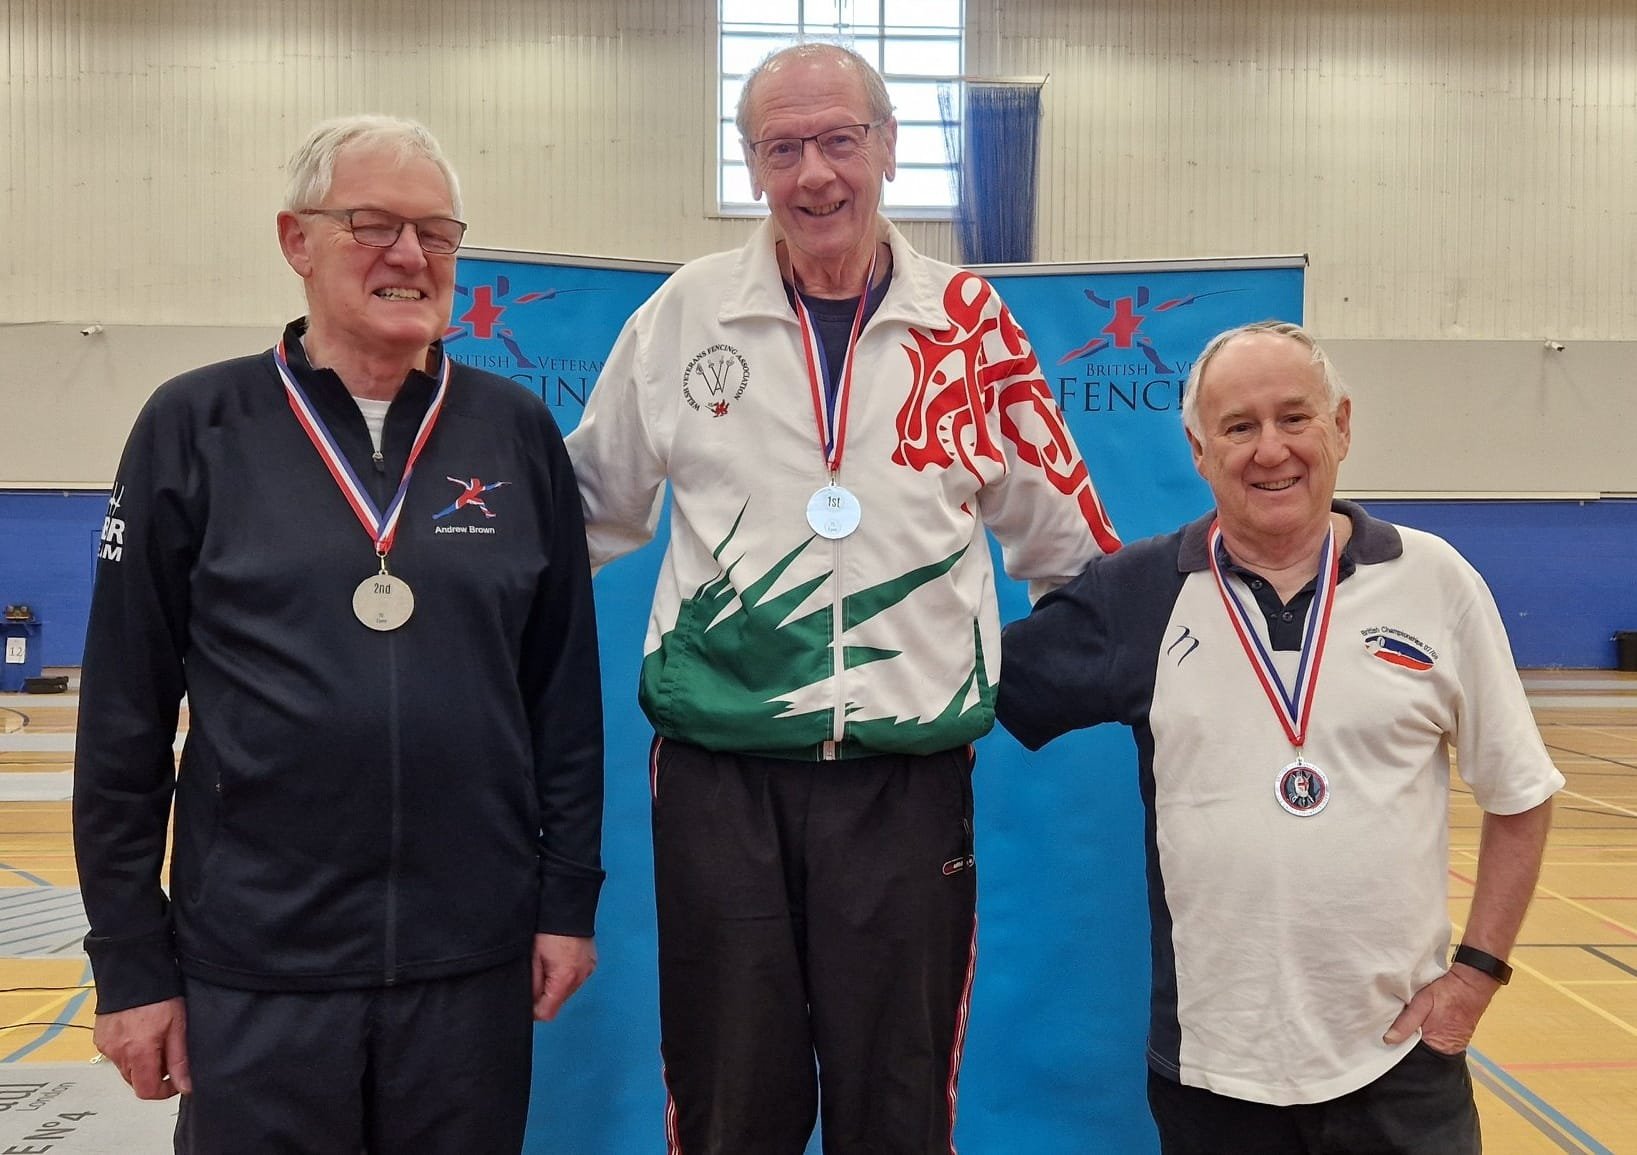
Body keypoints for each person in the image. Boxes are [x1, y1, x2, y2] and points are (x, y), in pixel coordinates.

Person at [566, 42, 1119, 1155]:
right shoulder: (684, 316)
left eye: (837, 140)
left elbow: (1069, 550)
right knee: (730, 1099)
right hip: (720, 779)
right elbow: (587, 509)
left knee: (898, 1102)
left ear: (888, 149)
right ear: (752, 166)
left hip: (904, 788)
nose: (813, 175)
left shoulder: (972, 327)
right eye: (782, 149)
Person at [72, 115, 605, 1154]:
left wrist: (565, 901)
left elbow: (561, 701)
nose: (409, 255)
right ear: (295, 240)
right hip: (257, 970)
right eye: (372, 223)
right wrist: (132, 963)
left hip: (470, 964)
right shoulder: (195, 426)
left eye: (435, 232)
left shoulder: (515, 434)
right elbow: (124, 720)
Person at [996, 321, 1562, 1154]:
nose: (1271, 450)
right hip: (1212, 1066)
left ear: (1340, 424)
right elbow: (969, 688)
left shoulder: (1435, 579)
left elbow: (1519, 792)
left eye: (1293, 418)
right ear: (1197, 448)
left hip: (1400, 1060)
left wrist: (1475, 976)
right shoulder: (1140, 594)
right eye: (1238, 426)